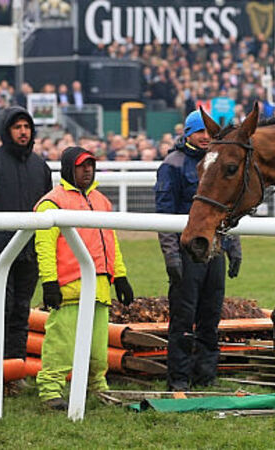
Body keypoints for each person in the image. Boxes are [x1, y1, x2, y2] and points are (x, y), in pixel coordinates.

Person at [33, 146, 133, 410]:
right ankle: (50, 391)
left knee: (98, 348)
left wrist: (120, 276)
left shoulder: (101, 201)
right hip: (69, 286)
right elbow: (44, 246)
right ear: (69, 168)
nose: (87, 170)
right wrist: (49, 282)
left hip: (100, 286)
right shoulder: (52, 202)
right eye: (81, 166)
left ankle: (97, 387)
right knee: (61, 344)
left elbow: (111, 241)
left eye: (90, 165)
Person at [154, 111, 242, 391]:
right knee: (183, 318)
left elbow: (227, 209)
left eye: (208, 132)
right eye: (199, 132)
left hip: (214, 251)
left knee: (210, 316)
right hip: (187, 253)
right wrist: (171, 255)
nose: (205, 137)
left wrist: (233, 245)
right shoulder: (172, 165)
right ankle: (179, 379)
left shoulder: (217, 161)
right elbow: (164, 215)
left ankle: (205, 376)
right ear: (187, 134)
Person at [0, 106, 52, 365]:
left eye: (27, 127)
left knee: (21, 311)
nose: (23, 132)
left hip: (30, 254)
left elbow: (48, 211)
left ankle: (16, 368)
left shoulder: (40, 167)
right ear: (7, 131)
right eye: (17, 127)